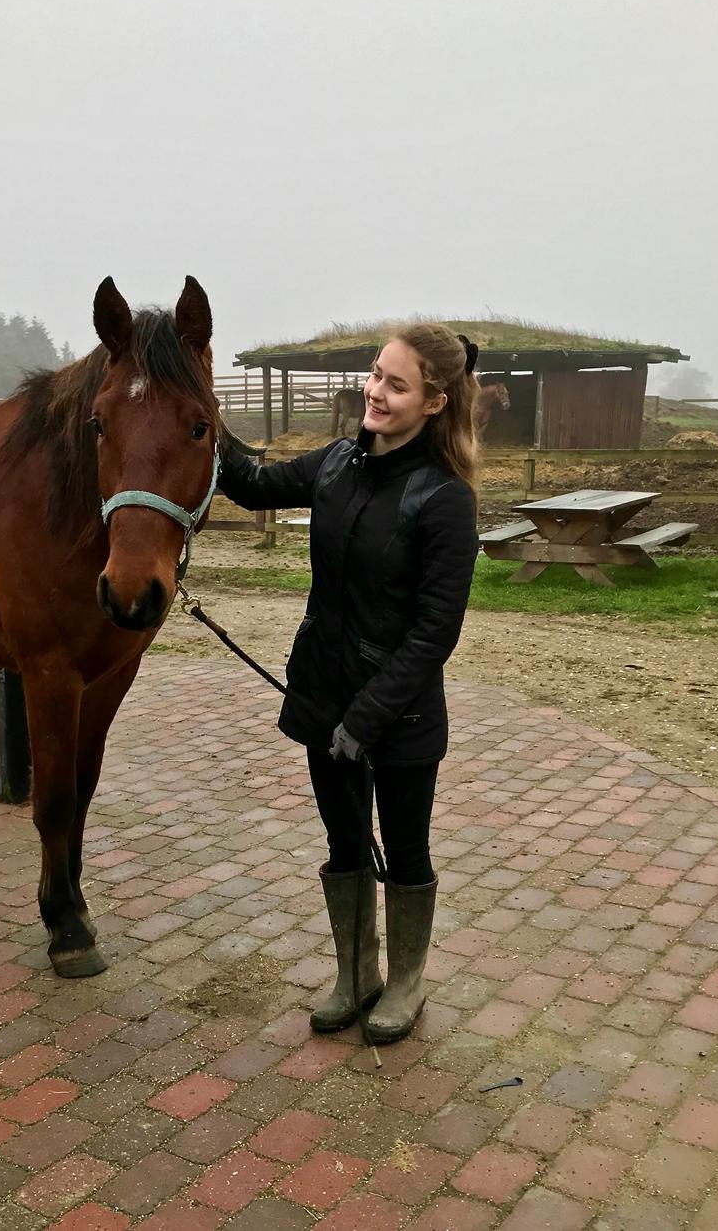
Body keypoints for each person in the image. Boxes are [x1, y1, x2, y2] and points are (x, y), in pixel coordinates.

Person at [216, 324, 479, 1043]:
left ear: (434, 402)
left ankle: (404, 983)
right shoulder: (335, 464)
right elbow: (252, 484)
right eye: (375, 375)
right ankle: (354, 974)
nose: (376, 392)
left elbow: (435, 633)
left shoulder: (445, 499)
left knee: (406, 849)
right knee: (344, 844)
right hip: (321, 696)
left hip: (400, 719)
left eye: (396, 384)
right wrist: (196, 415)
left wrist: (367, 717)